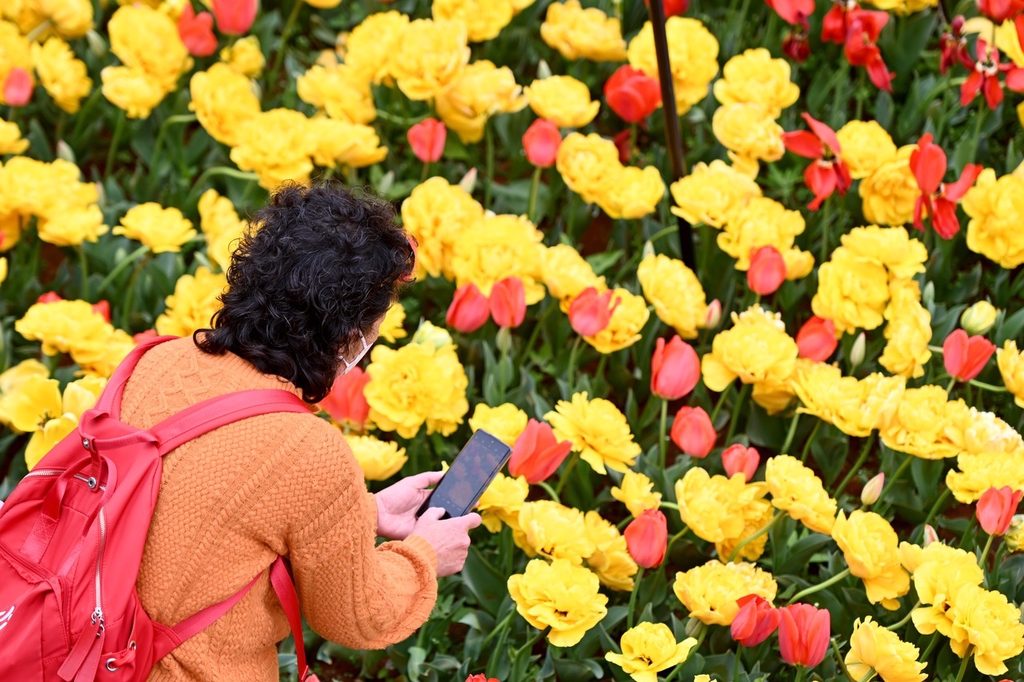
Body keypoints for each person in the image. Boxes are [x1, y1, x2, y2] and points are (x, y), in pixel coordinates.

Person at [117, 183, 481, 681]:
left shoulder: (158, 362)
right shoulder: (308, 451)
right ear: (353, 335)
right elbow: (356, 617)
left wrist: (360, 512)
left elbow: (204, 513)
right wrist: (424, 555)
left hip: (85, 646)